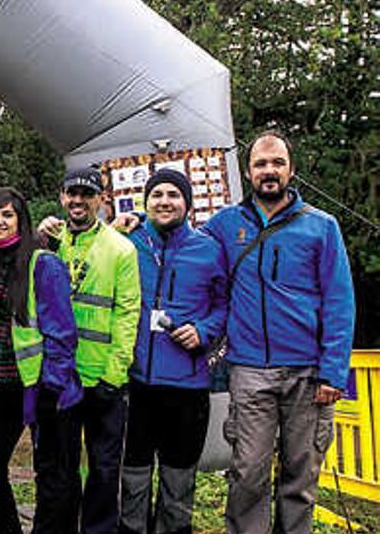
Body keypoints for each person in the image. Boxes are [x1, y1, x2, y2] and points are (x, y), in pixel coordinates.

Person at [211, 131, 355, 533]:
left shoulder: (322, 227)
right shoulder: (225, 225)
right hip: (249, 371)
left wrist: (333, 372)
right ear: (248, 171)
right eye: (261, 164)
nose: (269, 171)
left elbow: (339, 302)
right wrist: (126, 227)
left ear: (291, 169)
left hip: (308, 374)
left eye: (277, 163)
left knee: (300, 479)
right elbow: (185, 254)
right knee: (248, 473)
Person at [0, 187, 82, 534]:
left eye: (8, 214)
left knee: (53, 473)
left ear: (21, 221)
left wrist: (53, 385)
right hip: (6, 381)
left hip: (46, 385)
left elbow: (62, 332)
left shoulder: (42, 264)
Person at [117, 169, 228, 534]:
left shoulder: (209, 249)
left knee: (177, 484)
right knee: (131, 479)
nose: (165, 201)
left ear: (188, 203)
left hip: (187, 386)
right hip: (135, 384)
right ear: (146, 202)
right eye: (157, 195)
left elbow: (225, 305)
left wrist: (203, 331)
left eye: (173, 195)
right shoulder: (127, 241)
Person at [40, 165, 141, 532]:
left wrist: (114, 374)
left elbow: (128, 313)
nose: (78, 201)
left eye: (87, 194)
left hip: (102, 379)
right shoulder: (52, 241)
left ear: (102, 199)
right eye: (72, 194)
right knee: (61, 467)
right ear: (63, 197)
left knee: (103, 467)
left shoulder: (122, 249)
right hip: (60, 378)